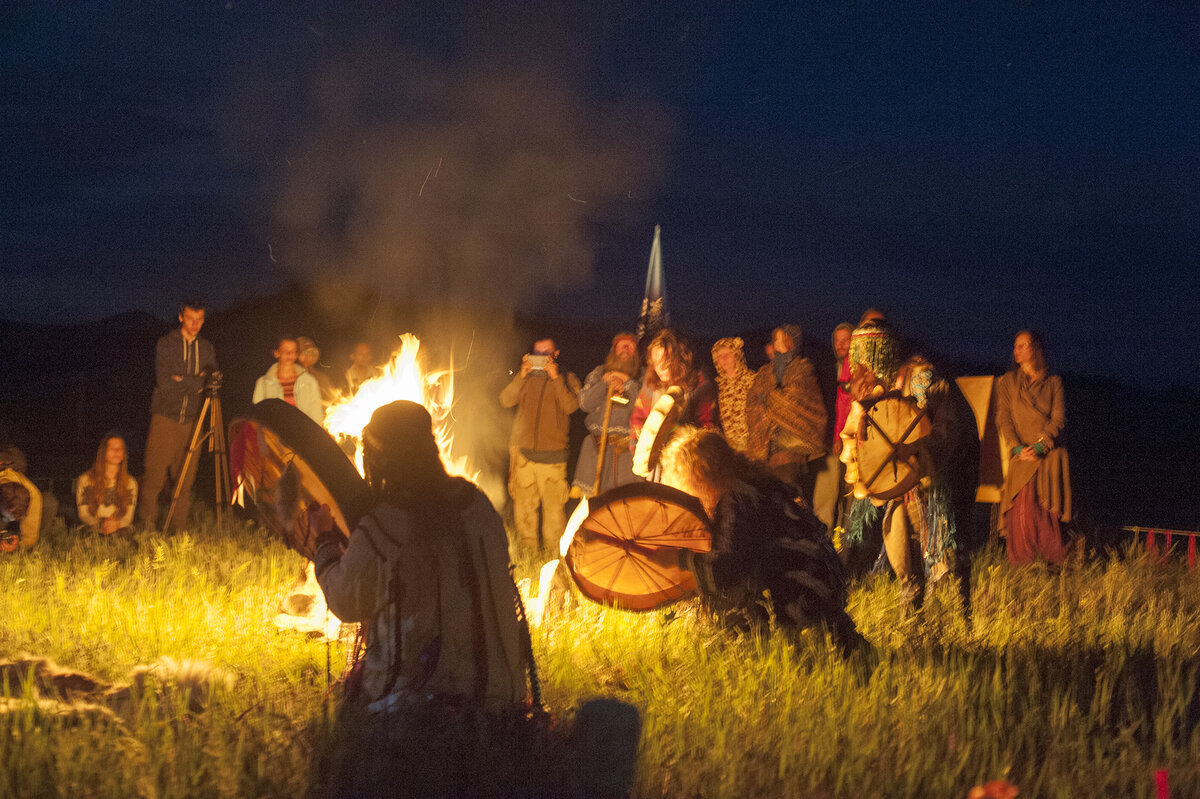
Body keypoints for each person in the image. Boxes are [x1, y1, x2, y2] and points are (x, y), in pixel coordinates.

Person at [307, 400, 535, 797]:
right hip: (504, 705)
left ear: (378, 457)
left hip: (417, 712)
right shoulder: (477, 503)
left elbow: (345, 600)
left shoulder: (387, 522)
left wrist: (324, 541)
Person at [658, 427, 866, 657]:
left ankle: (770, 643)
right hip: (823, 579)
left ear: (700, 474)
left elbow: (728, 567)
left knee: (730, 595)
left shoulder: (736, 498)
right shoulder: (757, 485)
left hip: (801, 588)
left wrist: (678, 559)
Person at [839, 321, 979, 612]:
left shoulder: (924, 377)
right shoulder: (884, 384)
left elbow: (948, 430)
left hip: (937, 479)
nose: (861, 362)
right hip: (903, 480)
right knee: (901, 545)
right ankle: (912, 616)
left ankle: (959, 616)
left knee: (944, 548)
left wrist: (915, 455)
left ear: (884, 350)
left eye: (867, 353)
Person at [994, 330, 1072, 565]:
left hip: (1046, 453)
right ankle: (1023, 561)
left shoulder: (1053, 383)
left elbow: (1058, 419)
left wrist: (1040, 446)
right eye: (1015, 346)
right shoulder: (1008, 382)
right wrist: (1017, 448)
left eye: (1023, 345)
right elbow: (1003, 418)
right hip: (1020, 453)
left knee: (1042, 505)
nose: (1016, 350)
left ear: (1036, 349)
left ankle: (1052, 560)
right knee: (1021, 507)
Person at [139, 300, 217, 532]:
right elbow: (164, 382)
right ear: (181, 317)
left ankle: (178, 531)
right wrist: (195, 382)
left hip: (192, 421)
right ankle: (147, 530)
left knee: (183, 482)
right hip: (165, 417)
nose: (195, 324)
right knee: (153, 478)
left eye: (200, 319)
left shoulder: (207, 348)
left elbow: (210, 382)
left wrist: (182, 379)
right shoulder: (166, 344)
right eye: (191, 318)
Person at [499, 338, 582, 551]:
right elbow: (505, 400)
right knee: (524, 511)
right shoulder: (525, 378)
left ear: (556, 354)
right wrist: (521, 374)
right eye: (537, 352)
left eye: (546, 352)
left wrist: (556, 379)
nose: (542, 355)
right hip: (525, 456)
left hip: (554, 460)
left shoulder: (567, 378)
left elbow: (571, 406)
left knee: (554, 514)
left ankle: (555, 557)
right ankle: (529, 556)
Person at [745, 324, 828, 503]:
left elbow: (796, 399)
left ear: (793, 342)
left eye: (783, 339)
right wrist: (768, 404)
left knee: (790, 492)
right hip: (766, 446)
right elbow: (752, 401)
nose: (778, 343)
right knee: (769, 494)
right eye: (776, 339)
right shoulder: (765, 372)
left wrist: (768, 399)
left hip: (792, 446)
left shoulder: (802, 369)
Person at [572, 333, 642, 497]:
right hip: (596, 451)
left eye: (630, 346)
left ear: (636, 353)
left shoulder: (641, 377)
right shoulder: (598, 373)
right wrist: (604, 383)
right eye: (622, 345)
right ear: (613, 350)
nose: (626, 348)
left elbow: (644, 406)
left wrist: (627, 383)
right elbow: (584, 404)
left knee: (624, 503)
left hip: (626, 455)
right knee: (593, 505)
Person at [629, 328, 716, 459]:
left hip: (686, 461)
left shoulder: (699, 384)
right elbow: (638, 417)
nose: (660, 368)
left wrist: (676, 431)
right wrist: (641, 435)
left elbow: (707, 430)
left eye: (666, 361)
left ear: (679, 358)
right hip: (657, 462)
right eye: (655, 362)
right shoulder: (651, 385)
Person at [76, 433, 138, 537]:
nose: (116, 451)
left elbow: (128, 517)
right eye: (111, 448)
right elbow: (83, 514)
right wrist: (100, 524)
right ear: (103, 452)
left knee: (126, 534)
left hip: (119, 528)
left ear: (124, 454)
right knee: (88, 535)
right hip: (94, 527)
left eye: (120, 448)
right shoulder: (86, 480)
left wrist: (117, 524)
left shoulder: (130, 483)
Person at [252, 336, 324, 424]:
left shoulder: (309, 382)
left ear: (297, 354)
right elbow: (257, 414)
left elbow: (316, 414)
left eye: (293, 351)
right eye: (285, 351)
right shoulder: (263, 383)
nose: (289, 354)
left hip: (302, 433)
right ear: (276, 353)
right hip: (275, 434)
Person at [711, 337, 756, 453]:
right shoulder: (716, 386)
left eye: (727, 354)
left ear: (737, 355)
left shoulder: (752, 380)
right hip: (728, 446)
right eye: (720, 356)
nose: (724, 359)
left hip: (751, 444)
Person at [297, 336, 337, 410]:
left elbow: (333, 401)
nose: (309, 357)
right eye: (304, 353)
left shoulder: (323, 378)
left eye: (311, 353)